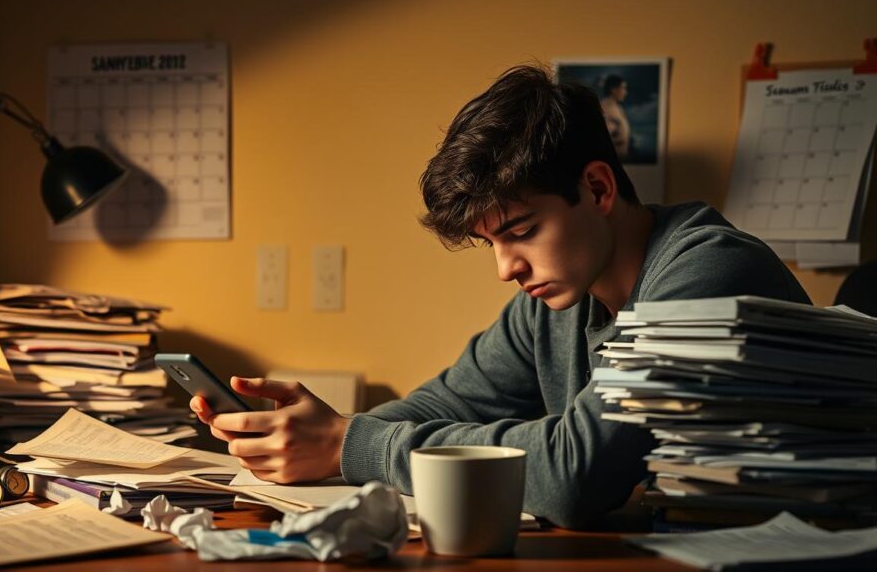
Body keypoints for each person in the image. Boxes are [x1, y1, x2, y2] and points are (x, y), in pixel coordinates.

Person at [190, 64, 810, 529]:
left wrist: (350, 444)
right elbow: (441, 404)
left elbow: (576, 474)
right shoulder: (551, 304)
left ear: (597, 188)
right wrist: (309, 436)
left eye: (521, 232)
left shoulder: (710, 275)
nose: (506, 268)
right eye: (491, 242)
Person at [600, 74, 631, 159]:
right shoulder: (608, 108)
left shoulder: (616, 107)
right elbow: (602, 137)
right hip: (611, 159)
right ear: (614, 90)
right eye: (623, 88)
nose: (625, 92)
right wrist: (620, 140)